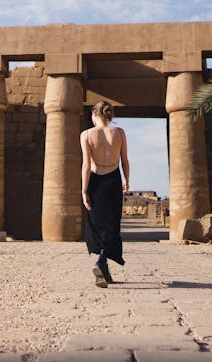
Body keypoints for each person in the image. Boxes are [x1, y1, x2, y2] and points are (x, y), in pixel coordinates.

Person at [80, 100, 130, 288]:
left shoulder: (86, 134)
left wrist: (84, 190)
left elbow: (86, 165)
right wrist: (127, 179)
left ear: (94, 113)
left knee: (95, 224)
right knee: (111, 224)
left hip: (95, 181)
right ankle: (104, 267)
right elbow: (125, 160)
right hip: (113, 180)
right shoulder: (119, 132)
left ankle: (101, 261)